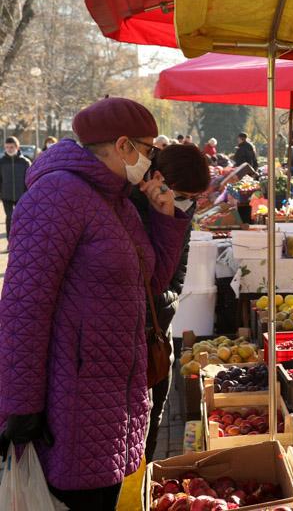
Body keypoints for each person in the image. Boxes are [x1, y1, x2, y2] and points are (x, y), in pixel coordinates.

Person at [0, 97, 190, 511]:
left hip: (115, 395)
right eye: (148, 149)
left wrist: (164, 217)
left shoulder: (118, 201)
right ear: (123, 146)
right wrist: (20, 405)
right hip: (72, 399)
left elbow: (149, 285)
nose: (152, 161)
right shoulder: (57, 194)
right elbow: (24, 307)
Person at [131, 144, 210, 461]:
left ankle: (146, 472)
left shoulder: (183, 210)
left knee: (153, 417)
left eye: (193, 198)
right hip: (130, 332)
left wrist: (165, 304)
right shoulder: (130, 205)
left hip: (159, 330)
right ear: (158, 178)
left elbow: (176, 272)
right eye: (183, 195)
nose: (187, 202)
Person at [0, 137, 31, 235]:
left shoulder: (25, 162)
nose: (9, 149)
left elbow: (29, 179)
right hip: (6, 196)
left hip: (21, 195)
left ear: (17, 147)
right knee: (10, 217)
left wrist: (28, 193)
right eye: (7, 147)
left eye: (11, 147)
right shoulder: (1, 162)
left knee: (20, 218)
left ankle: (20, 237)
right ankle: (10, 239)